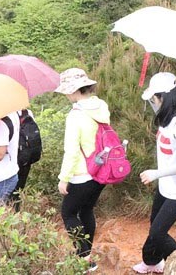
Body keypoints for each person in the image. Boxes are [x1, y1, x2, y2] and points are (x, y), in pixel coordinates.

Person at [134, 72, 176, 274]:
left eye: (154, 98)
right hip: (166, 186)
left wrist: (156, 173)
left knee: (158, 233)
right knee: (155, 225)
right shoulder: (166, 119)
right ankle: (152, 262)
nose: (152, 103)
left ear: (164, 97)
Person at [55, 67, 110, 272]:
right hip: (102, 170)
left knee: (68, 212)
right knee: (86, 209)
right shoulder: (101, 106)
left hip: (82, 173)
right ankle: (86, 254)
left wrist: (63, 178)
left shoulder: (75, 115)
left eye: (68, 91)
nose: (67, 95)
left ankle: (84, 258)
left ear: (75, 90)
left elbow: (71, 151)